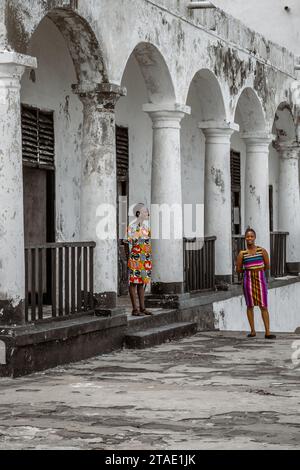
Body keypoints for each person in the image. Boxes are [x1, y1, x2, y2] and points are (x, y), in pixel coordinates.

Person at [236, 227, 276, 339]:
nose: (249, 238)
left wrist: (257, 270)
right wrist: (247, 270)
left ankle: (267, 332)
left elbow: (267, 266)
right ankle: (253, 331)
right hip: (248, 281)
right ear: (245, 238)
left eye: (251, 236)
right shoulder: (242, 254)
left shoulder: (262, 251)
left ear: (255, 237)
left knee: (263, 306)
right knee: (250, 305)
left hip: (260, 280)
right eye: (247, 236)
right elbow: (238, 269)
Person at [124, 203, 152, 316]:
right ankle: (135, 309)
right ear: (138, 213)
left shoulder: (146, 227)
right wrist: (128, 258)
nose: (147, 213)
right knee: (133, 283)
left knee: (142, 283)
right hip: (135, 257)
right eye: (145, 211)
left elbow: (148, 242)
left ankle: (142, 308)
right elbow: (126, 242)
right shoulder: (132, 227)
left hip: (145, 258)